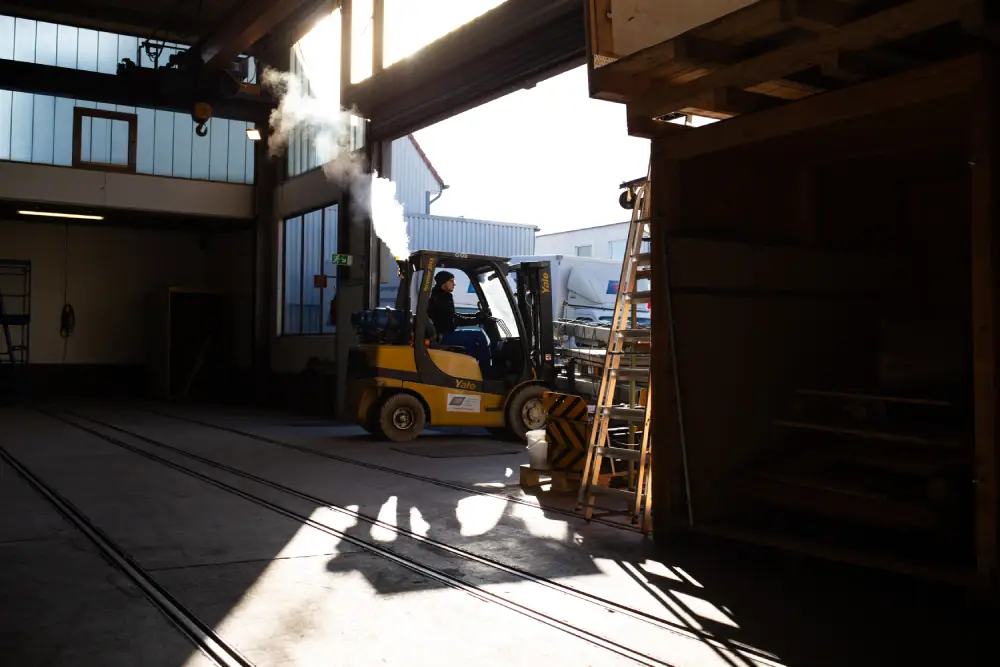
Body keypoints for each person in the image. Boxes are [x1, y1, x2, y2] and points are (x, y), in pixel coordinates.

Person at [427, 271, 483, 337]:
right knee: (479, 336)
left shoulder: (440, 296)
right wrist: (478, 320)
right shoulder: (441, 299)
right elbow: (453, 320)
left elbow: (451, 315)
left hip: (442, 333)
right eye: (451, 281)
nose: (454, 284)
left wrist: (474, 315)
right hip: (443, 335)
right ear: (443, 282)